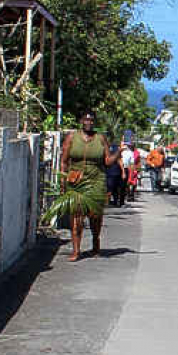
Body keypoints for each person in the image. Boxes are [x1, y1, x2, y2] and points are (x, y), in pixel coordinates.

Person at [59, 111, 119, 261]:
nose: (89, 122)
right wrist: (62, 181)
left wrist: (119, 152)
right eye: (86, 119)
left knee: (95, 215)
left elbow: (107, 161)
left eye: (91, 120)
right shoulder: (72, 137)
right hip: (76, 181)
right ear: (81, 121)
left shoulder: (101, 138)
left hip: (96, 180)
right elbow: (64, 161)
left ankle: (95, 242)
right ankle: (76, 251)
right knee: (76, 217)